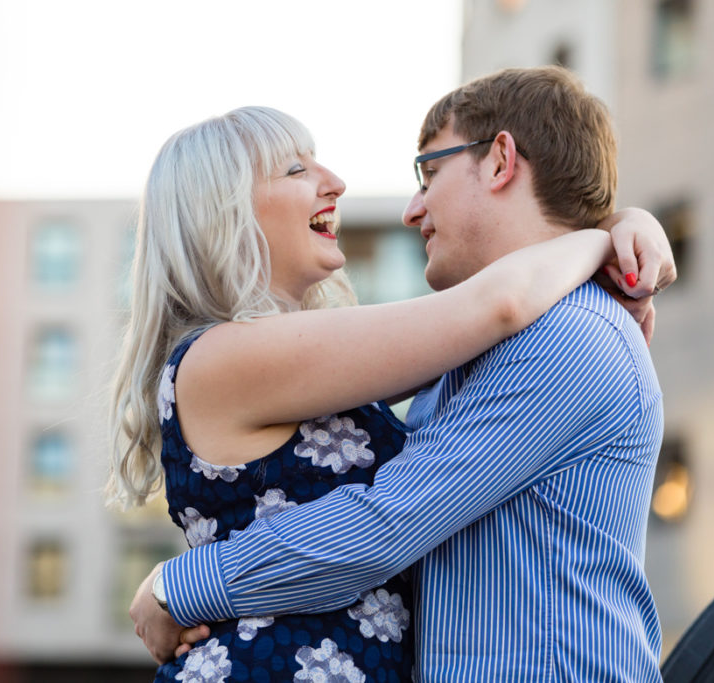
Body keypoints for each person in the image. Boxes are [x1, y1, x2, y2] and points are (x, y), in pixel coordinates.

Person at [117, 70, 674, 682]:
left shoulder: (565, 334)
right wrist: (607, 235)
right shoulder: (242, 355)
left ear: (500, 162)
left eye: (429, 172)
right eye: (296, 170)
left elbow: (386, 523)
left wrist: (182, 585)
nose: (411, 208)